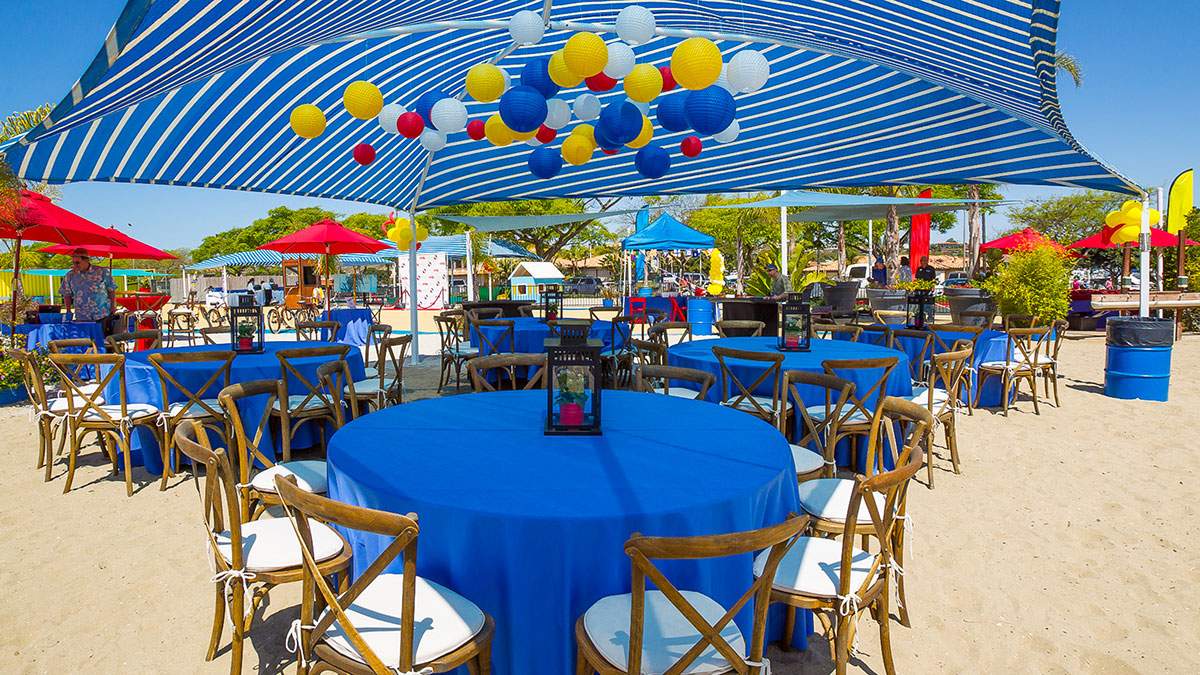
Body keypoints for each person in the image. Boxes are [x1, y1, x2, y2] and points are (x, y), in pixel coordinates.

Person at [60, 249, 117, 333]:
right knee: (85, 343)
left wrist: (113, 306)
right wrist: (68, 311)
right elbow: (66, 294)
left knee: (102, 342)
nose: (75, 265)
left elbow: (111, 290)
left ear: (86, 260)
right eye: (73, 263)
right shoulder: (70, 275)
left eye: (77, 262)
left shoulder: (102, 272)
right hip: (81, 317)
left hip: (102, 315)